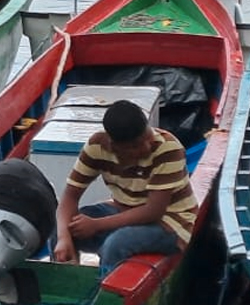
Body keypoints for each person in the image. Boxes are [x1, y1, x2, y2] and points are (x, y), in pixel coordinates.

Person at [52, 99, 196, 276]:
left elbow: (153, 211)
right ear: (114, 146)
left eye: (148, 137)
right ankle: (67, 285)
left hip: (171, 221)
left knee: (117, 244)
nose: (146, 146)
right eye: (135, 145)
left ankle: (105, 295)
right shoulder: (96, 147)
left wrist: (97, 225)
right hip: (121, 211)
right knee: (65, 228)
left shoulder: (167, 149)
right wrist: (63, 238)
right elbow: (70, 197)